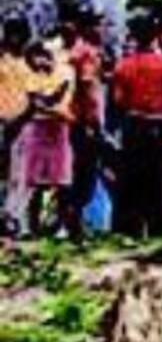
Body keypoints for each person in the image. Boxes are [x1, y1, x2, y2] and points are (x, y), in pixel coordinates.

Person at [107, 21, 162, 238]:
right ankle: (158, 229)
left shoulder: (124, 65)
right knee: (158, 180)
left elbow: (117, 100)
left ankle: (126, 229)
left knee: (129, 180)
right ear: (155, 38)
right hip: (158, 123)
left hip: (133, 123)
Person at [6, 37, 75, 236]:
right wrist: (50, 106)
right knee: (32, 179)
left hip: (59, 128)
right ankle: (30, 225)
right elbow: (40, 101)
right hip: (37, 128)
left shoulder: (65, 71)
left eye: (38, 58)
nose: (36, 64)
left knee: (62, 179)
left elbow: (54, 99)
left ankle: (61, 225)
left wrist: (48, 105)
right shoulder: (30, 76)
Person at [59, 12, 106, 238]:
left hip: (75, 119)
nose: (101, 31)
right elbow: (86, 88)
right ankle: (72, 219)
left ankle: (71, 219)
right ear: (86, 29)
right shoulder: (87, 54)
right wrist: (91, 121)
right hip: (84, 120)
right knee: (84, 170)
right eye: (97, 26)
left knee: (78, 169)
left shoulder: (75, 52)